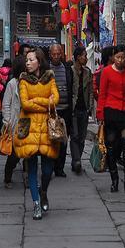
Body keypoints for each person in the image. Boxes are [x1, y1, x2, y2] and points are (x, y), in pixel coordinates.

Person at [14, 48, 60, 220]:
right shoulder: (23, 80)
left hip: (48, 128)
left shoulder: (50, 77)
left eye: (30, 60)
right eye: (26, 60)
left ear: (38, 62)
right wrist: (45, 102)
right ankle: (36, 205)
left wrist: (37, 101)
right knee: (31, 169)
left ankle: (44, 191)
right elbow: (25, 104)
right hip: (29, 128)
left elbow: (55, 99)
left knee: (48, 170)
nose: (27, 63)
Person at [97, 44, 125, 195]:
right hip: (111, 114)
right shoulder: (106, 72)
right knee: (112, 147)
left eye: (123, 57)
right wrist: (100, 114)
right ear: (113, 57)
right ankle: (114, 179)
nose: (121, 60)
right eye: (118, 57)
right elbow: (102, 94)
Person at [1, 54, 26, 188]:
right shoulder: (12, 84)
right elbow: (6, 104)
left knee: (29, 153)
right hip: (15, 123)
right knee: (14, 154)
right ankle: (8, 177)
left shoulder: (30, 82)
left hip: (27, 123)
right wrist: (8, 122)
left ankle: (28, 177)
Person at [47, 43, 73, 177]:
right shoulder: (46, 69)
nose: (56, 56)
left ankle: (60, 168)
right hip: (52, 111)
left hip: (65, 110)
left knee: (63, 140)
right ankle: (50, 166)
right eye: (54, 54)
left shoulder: (67, 68)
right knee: (52, 139)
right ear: (50, 55)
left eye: (58, 54)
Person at [69, 45, 95, 174]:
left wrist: (90, 106)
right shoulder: (70, 71)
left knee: (82, 136)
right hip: (73, 109)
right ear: (78, 57)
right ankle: (76, 160)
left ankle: (77, 159)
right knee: (74, 135)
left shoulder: (88, 72)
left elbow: (90, 91)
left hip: (84, 108)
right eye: (84, 56)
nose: (86, 58)